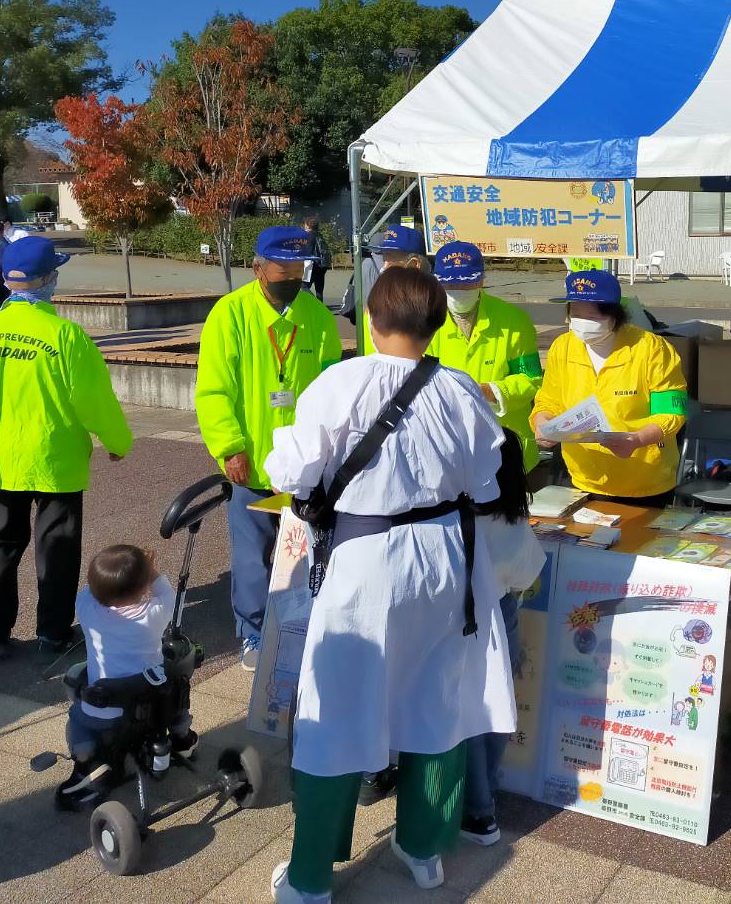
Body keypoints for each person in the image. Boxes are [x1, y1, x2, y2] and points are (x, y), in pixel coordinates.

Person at [263, 265, 515, 902]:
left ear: (370, 321)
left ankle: (310, 879)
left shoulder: (339, 382)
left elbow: (291, 473)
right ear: (435, 324)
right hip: (446, 560)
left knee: (336, 712)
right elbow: (486, 481)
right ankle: (424, 849)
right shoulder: (460, 388)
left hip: (366, 560)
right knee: (436, 704)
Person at [0, 235, 133, 657]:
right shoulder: (65, 336)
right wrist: (116, 440)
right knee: (57, 548)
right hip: (54, 458)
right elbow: (93, 399)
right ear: (48, 279)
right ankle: (52, 631)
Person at [196, 226, 342, 670]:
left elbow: (333, 390)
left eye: (299, 270)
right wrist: (229, 447)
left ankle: (305, 626)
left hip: (306, 466)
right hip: (252, 465)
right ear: (258, 269)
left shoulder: (316, 316)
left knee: (308, 550)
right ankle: (254, 633)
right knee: (252, 557)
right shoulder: (230, 315)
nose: (293, 278)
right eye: (284, 270)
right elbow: (214, 391)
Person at [55, 543, 198, 810]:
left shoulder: (87, 610)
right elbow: (168, 592)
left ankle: (86, 758)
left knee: (77, 714)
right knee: (176, 688)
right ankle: (182, 737)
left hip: (104, 710)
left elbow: (88, 591)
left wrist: (108, 580)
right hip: (153, 706)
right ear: (144, 587)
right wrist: (150, 571)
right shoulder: (154, 613)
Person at [531, 269, 688, 506]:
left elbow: (671, 412)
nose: (582, 323)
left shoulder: (651, 349)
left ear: (614, 315)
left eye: (591, 316)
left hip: (644, 480)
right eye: (575, 314)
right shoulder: (562, 347)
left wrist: (637, 439)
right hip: (583, 477)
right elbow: (548, 400)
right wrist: (542, 423)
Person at [462, 427, 545, 847]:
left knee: (469, 715)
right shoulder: (512, 517)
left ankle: (476, 809)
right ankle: (485, 797)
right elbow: (527, 574)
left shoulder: (460, 515)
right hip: (503, 613)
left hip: (463, 618)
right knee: (496, 707)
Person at [428, 242, 543, 472]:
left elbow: (531, 378)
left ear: (482, 279)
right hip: (447, 446)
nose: (459, 289)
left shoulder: (514, 320)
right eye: (450, 283)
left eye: (467, 281)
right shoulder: (424, 320)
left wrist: (492, 391)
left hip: (505, 445)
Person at [357, 225, 427, 355]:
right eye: (384, 258)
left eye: (391, 259)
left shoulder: (432, 306)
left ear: (415, 264)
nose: (384, 266)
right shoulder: (373, 308)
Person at [303, 216, 331, 300]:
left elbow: (308, 251)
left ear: (308, 225)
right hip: (322, 265)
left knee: (303, 286)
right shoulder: (319, 235)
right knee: (319, 290)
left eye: (305, 224)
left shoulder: (309, 235)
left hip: (311, 264)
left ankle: (313, 302)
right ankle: (319, 305)